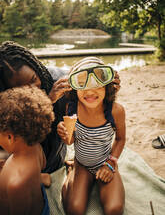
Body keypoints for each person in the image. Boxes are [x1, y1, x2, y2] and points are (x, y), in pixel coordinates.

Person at [0, 41, 121, 175]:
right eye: (22, 89)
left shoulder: (58, 81)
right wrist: (48, 101)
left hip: (56, 159)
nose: (33, 88)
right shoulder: (6, 108)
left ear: (36, 68)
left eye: (34, 79)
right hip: (25, 169)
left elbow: (89, 95)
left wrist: (109, 85)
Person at [57, 57, 126, 215]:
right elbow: (70, 141)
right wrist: (64, 134)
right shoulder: (72, 108)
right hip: (82, 164)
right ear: (75, 89)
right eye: (83, 85)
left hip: (105, 162)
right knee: (74, 209)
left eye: (97, 85)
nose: (89, 92)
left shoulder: (116, 111)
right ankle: (72, 170)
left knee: (114, 209)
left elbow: (121, 139)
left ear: (107, 87)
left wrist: (111, 163)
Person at [0, 85, 54, 215]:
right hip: (40, 199)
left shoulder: (16, 184)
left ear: (9, 137)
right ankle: (39, 178)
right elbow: (43, 164)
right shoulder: (36, 146)